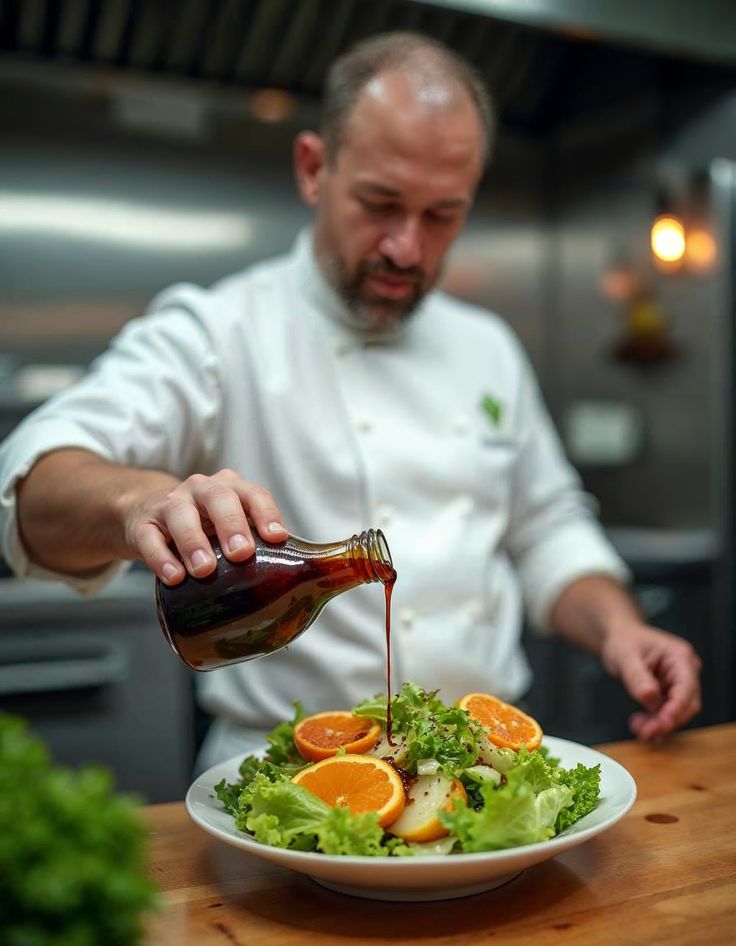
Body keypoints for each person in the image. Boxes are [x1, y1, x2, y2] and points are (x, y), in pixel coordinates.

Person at [0, 32, 701, 771]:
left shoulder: (488, 346)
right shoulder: (218, 330)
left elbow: (546, 529)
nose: (406, 247)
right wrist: (138, 503)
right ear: (313, 168)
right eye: (381, 202)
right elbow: (30, 484)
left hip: (482, 770)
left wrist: (620, 628)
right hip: (289, 779)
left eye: (442, 216)